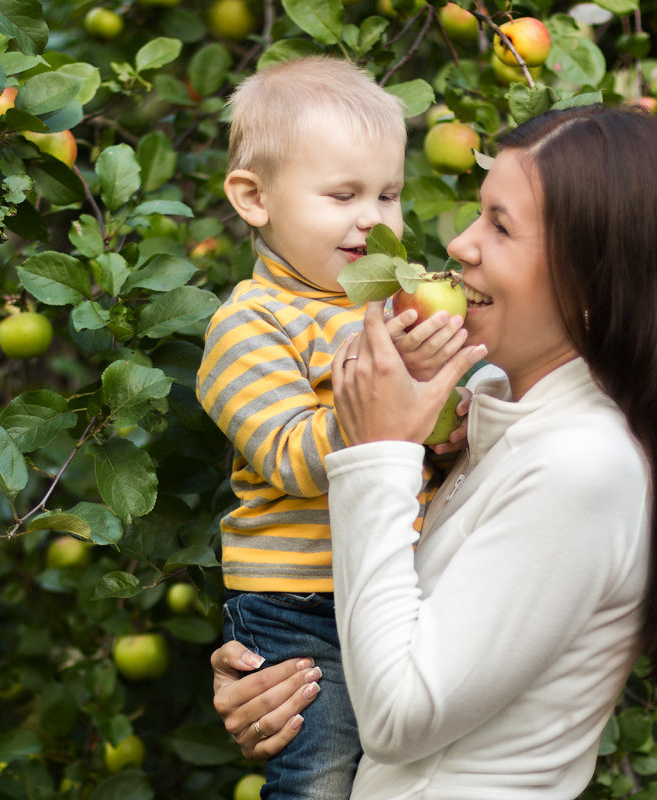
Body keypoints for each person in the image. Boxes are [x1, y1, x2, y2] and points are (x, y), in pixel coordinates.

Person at [210, 104, 657, 799]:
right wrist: (288, 673)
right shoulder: (503, 416)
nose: (462, 245)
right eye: (478, 214)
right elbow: (397, 623)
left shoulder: (582, 466)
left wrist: (379, 449)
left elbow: (399, 718)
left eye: (500, 227)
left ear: (593, 280)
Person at [196, 56, 468, 799]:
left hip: (391, 586)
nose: (374, 218)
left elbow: (413, 455)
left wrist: (443, 436)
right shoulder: (249, 326)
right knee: (320, 780)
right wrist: (391, 403)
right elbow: (289, 454)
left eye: (388, 194)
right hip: (300, 609)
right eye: (342, 194)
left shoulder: (389, 309)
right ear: (254, 198)